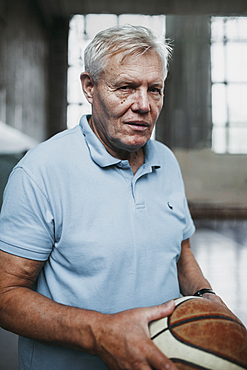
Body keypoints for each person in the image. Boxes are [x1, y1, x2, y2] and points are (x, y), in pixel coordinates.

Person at [0, 25, 225, 370]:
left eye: (155, 90)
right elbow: (5, 297)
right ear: (89, 87)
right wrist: (100, 333)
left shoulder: (165, 160)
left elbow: (181, 253)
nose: (144, 105)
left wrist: (205, 298)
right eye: (126, 87)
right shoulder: (41, 172)